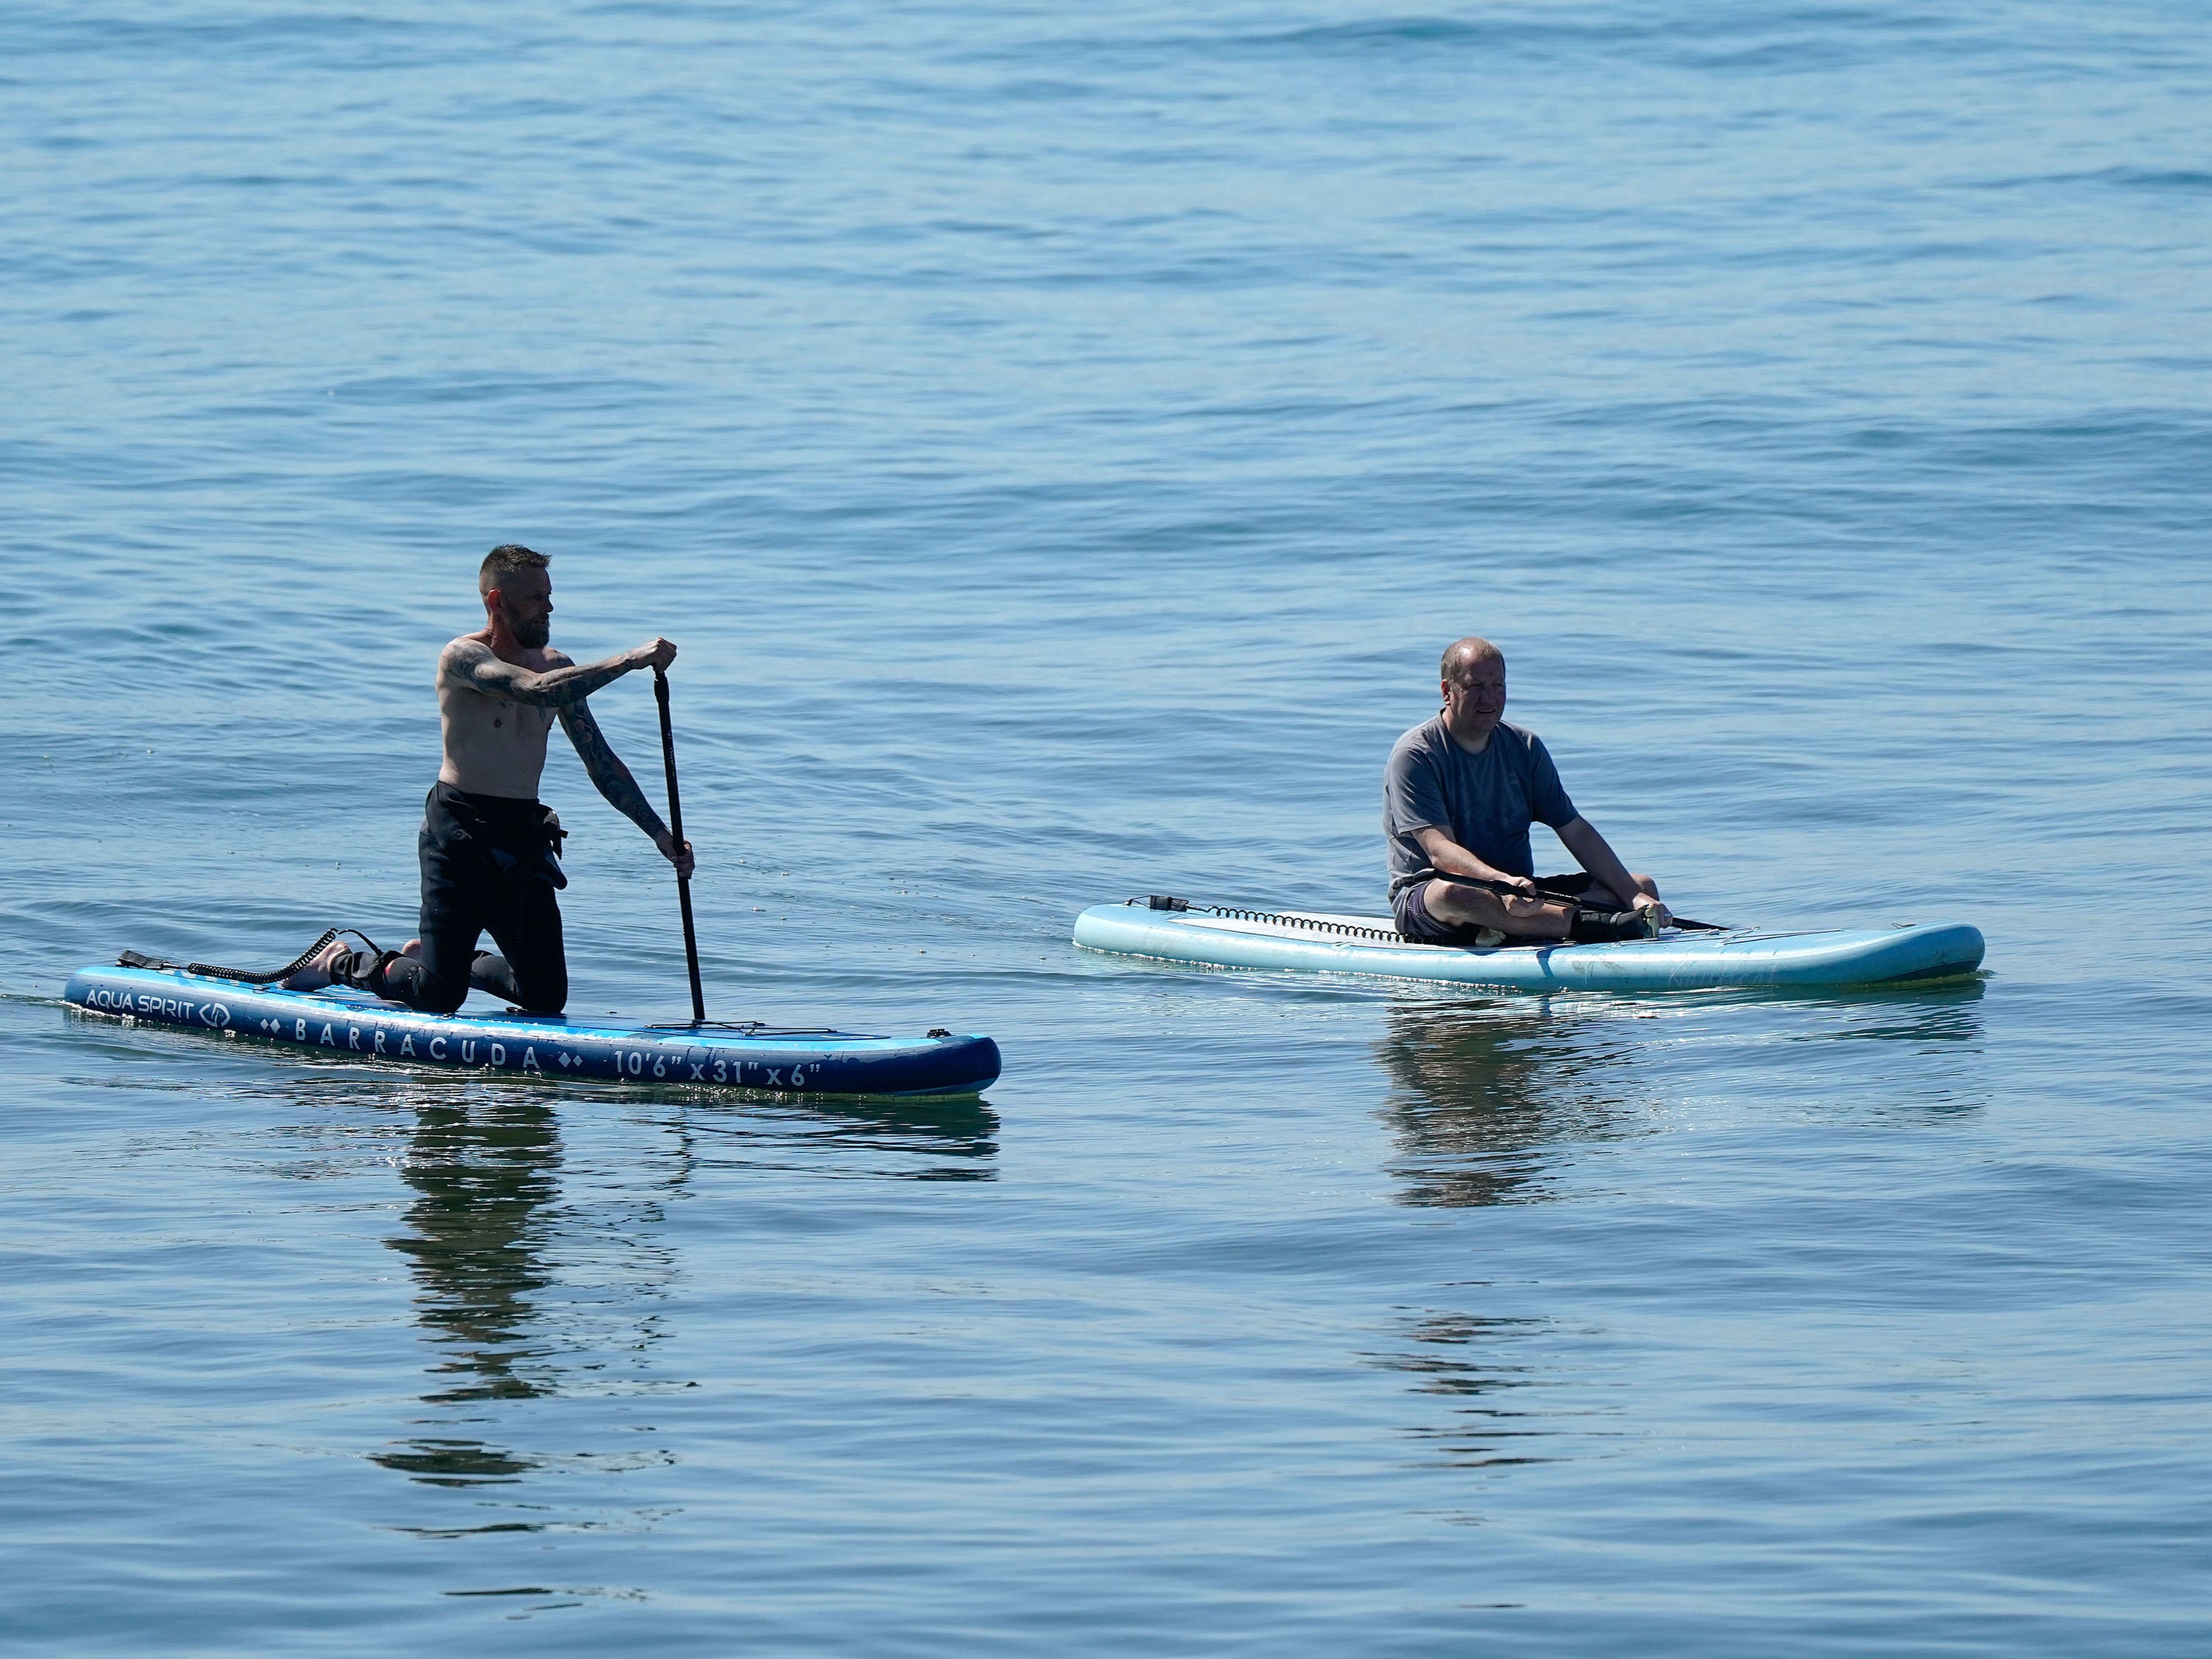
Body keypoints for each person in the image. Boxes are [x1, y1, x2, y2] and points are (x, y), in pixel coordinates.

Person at [292, 544, 694, 1012]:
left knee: (544, 998)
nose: (548, 607)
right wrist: (628, 660)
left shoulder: (560, 666)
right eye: (534, 597)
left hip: (523, 832)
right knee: (437, 998)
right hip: (459, 831)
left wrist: (661, 836)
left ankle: (445, 960)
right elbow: (532, 690)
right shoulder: (463, 658)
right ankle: (342, 963)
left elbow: (601, 763)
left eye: (549, 594)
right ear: (496, 602)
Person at [1385, 637, 1666, 945]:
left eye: (1498, 686)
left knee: (1641, 885)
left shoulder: (1525, 747)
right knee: (1454, 894)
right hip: (1434, 899)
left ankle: (1525, 926)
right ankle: (1596, 927)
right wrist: (1498, 882)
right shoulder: (1416, 755)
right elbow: (1440, 851)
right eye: (1475, 686)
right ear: (1446, 691)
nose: (1489, 698)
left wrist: (1634, 896)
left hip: (1520, 895)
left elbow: (1574, 830)